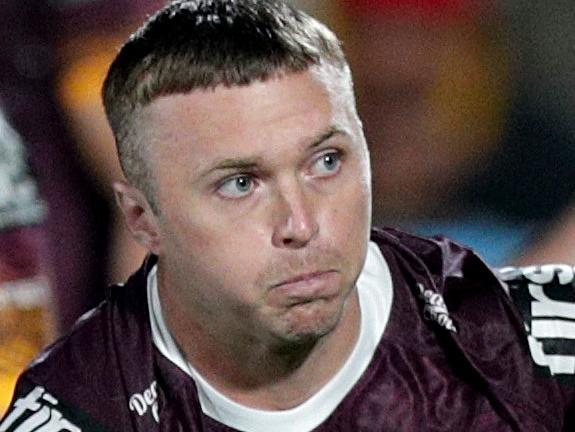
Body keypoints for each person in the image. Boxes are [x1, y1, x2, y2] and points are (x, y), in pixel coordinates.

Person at [1, 1, 574, 430]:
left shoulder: (530, 341)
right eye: (241, 183)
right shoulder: (74, 415)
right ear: (143, 220)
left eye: (326, 162)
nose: (302, 224)